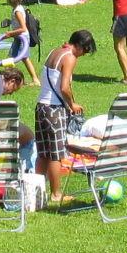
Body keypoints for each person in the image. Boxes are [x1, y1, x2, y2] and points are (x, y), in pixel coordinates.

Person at [36, 30, 96, 207]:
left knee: (43, 153)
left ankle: (36, 189)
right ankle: (55, 193)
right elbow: (64, 87)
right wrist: (72, 104)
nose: (83, 55)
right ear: (79, 45)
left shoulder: (54, 52)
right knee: (56, 154)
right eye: (85, 51)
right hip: (54, 109)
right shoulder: (70, 57)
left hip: (41, 106)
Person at [0, 0, 41, 84]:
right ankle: (8, 78)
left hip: (22, 38)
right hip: (18, 37)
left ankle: (35, 80)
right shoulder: (17, 8)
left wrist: (10, 33)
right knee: (11, 57)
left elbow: (23, 28)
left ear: (11, 0)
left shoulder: (17, 11)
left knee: (24, 58)